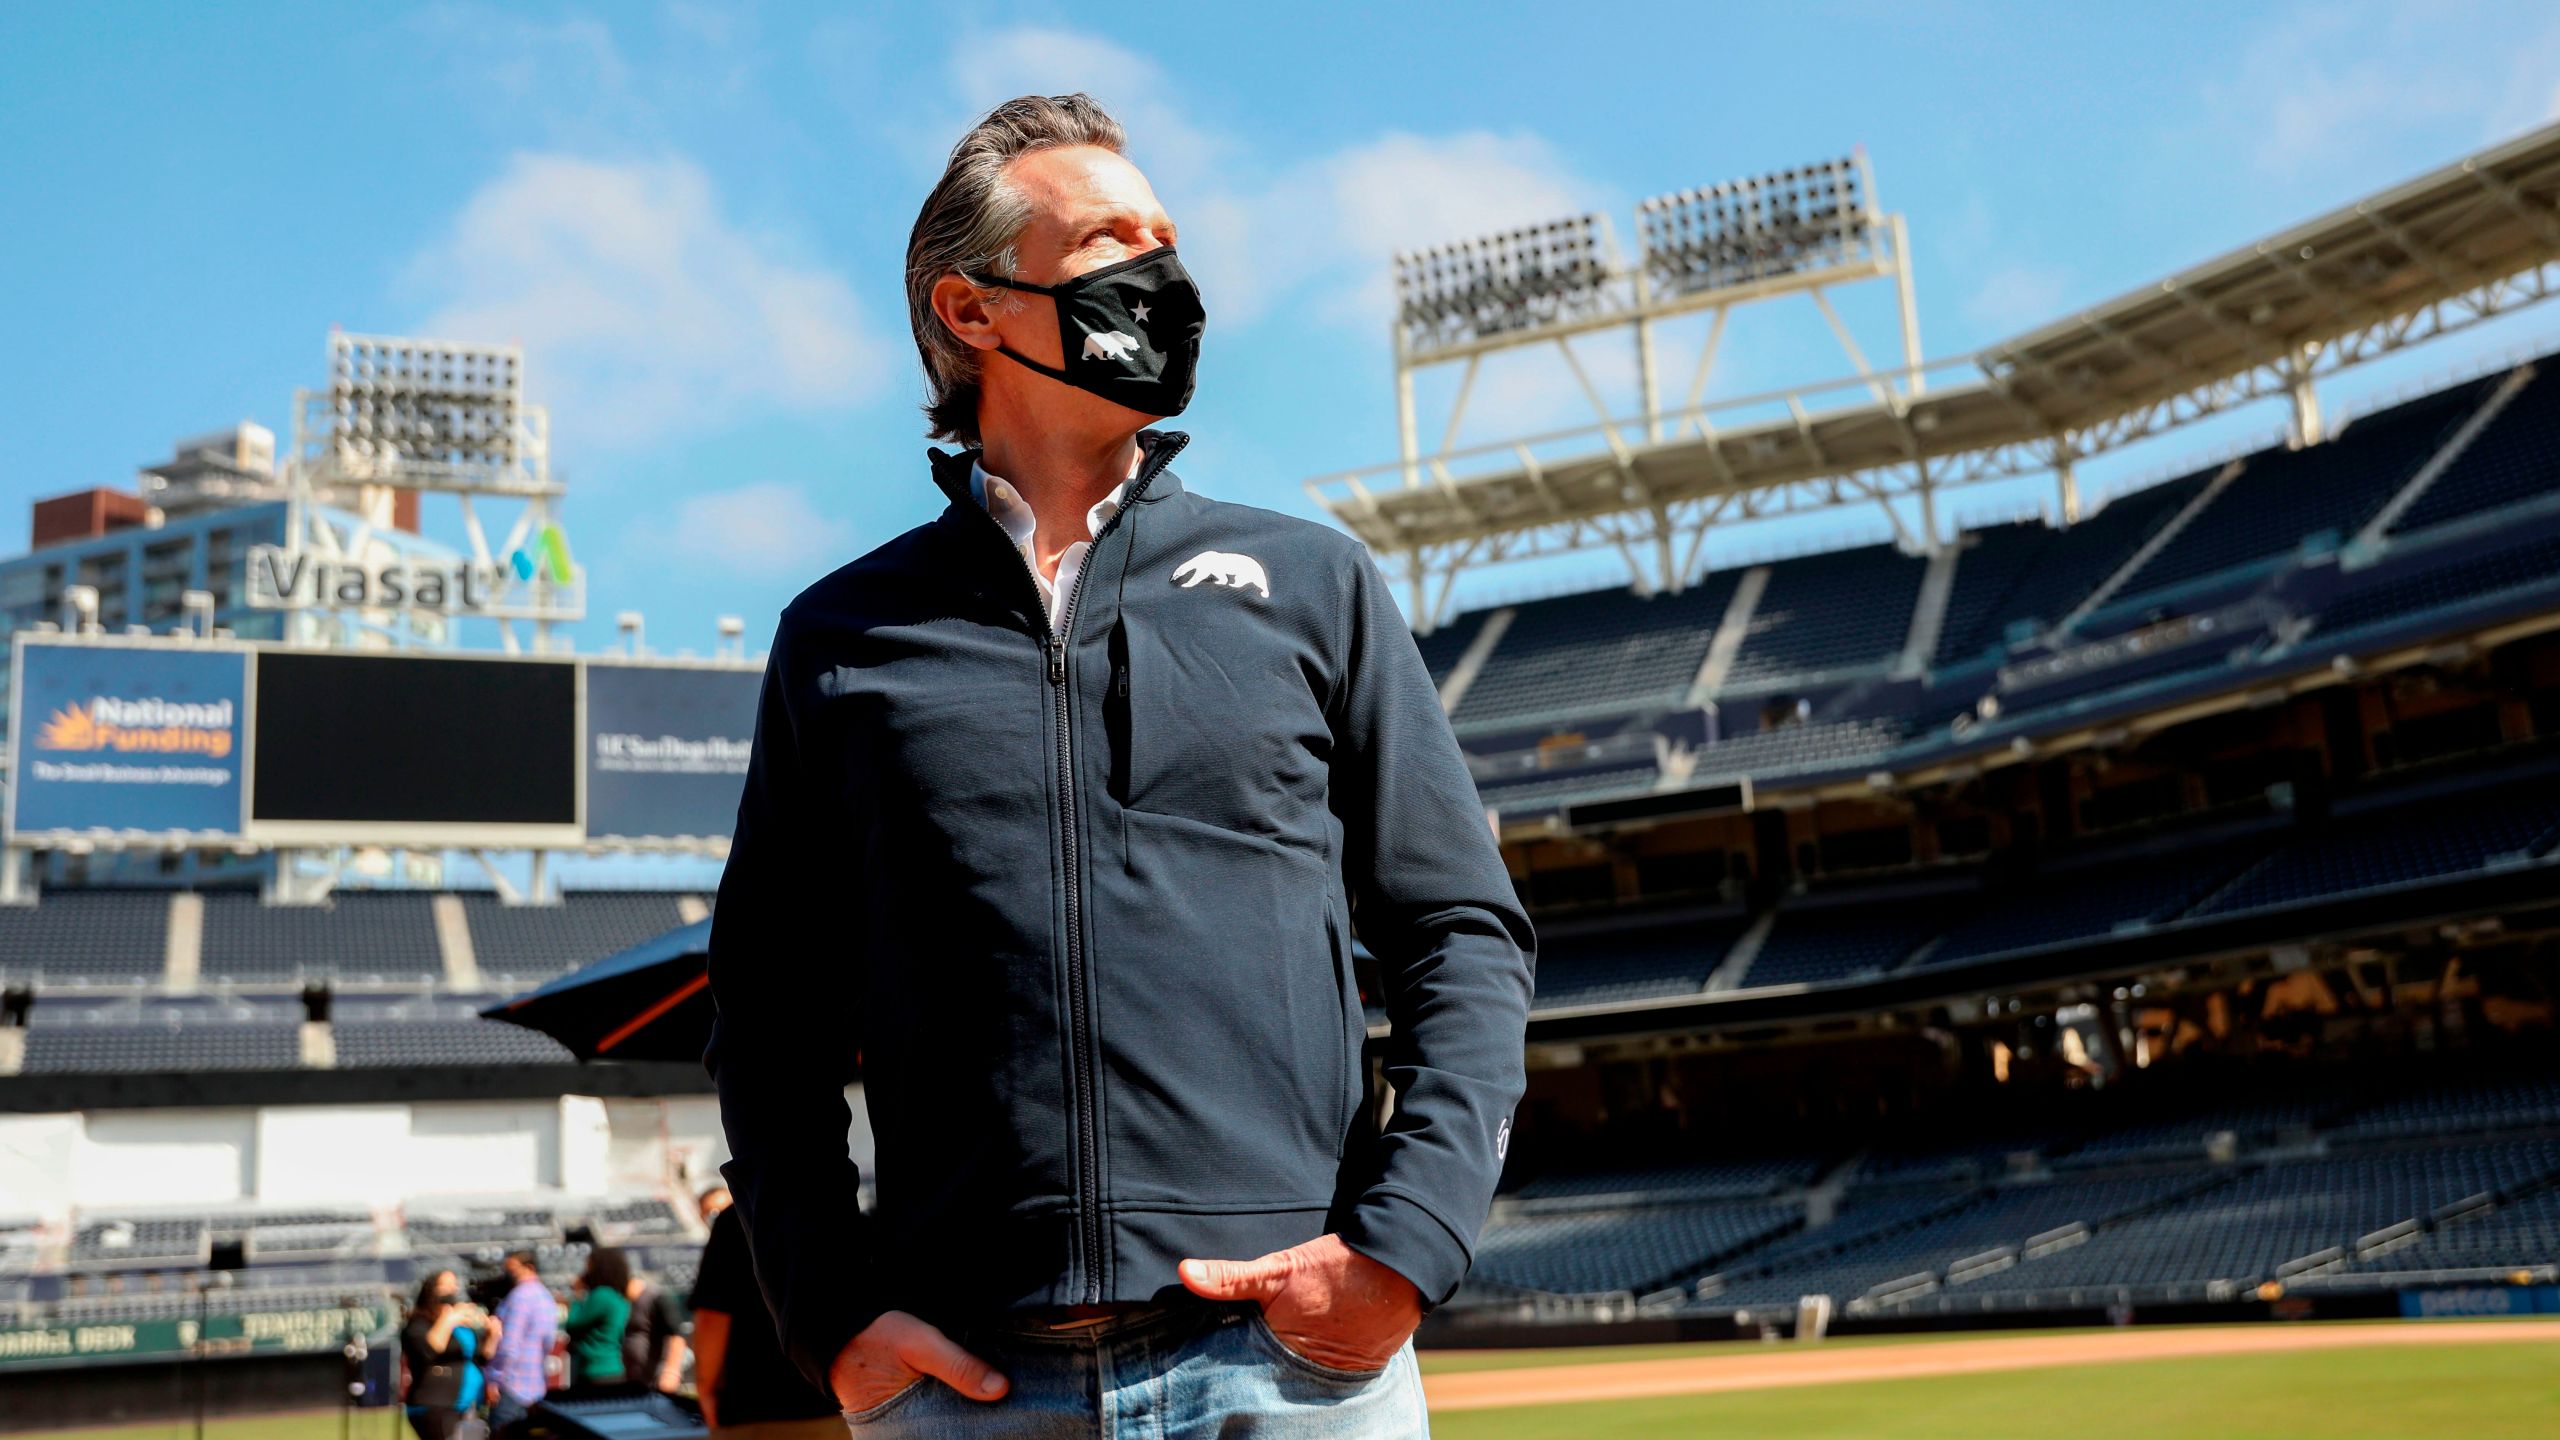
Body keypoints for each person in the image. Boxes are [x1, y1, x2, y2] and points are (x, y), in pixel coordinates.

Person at [704, 92, 1534, 1437]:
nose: (1163, 275)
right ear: (972, 313)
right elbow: (769, 1010)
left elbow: (1463, 932)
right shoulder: (837, 641)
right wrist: (828, 1311)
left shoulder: (1312, 583)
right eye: (1109, 242)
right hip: (969, 1388)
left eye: (1168, 238)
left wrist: (1405, 1243)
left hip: (1294, 1371)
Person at [689, 1189, 844, 1439]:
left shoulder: (735, 1219)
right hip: (830, 1406)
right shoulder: (834, 1207)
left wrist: (706, 1391)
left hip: (754, 1412)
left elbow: (711, 1318)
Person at [401, 1270, 490, 1440]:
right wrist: (449, 1318)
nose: (453, 1289)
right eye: (446, 1285)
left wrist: (492, 1334)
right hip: (437, 1405)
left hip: (468, 1405)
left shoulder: (461, 1325)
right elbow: (428, 1349)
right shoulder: (419, 1324)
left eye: (454, 1284)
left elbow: (481, 1356)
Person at [486, 1250, 557, 1432]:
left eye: (512, 1269)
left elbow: (509, 1345)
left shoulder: (520, 1297)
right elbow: (548, 1341)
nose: (508, 1274)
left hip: (512, 1384)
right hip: (536, 1385)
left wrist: (495, 1379)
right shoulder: (545, 1296)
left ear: (529, 1268)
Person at [560, 1247, 633, 1391]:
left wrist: (577, 1295)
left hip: (595, 1371)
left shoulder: (601, 1295)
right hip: (613, 1368)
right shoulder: (618, 1296)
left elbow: (572, 1324)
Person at [622, 1266, 689, 1391]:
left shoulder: (656, 1297)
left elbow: (677, 1336)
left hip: (656, 1379)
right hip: (630, 1381)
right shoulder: (621, 1303)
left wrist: (671, 1371)